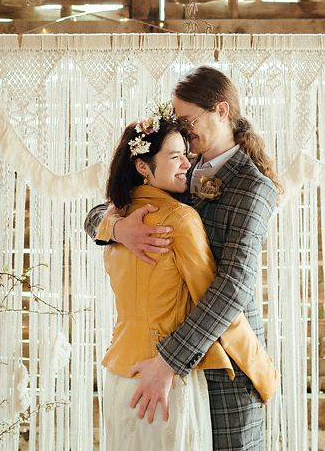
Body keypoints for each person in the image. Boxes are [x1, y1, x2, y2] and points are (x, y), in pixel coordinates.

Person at [87, 67, 280, 451]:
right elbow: (103, 206)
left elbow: (233, 286)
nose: (184, 132)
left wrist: (170, 360)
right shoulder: (180, 171)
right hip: (177, 369)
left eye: (189, 121)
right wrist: (116, 228)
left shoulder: (253, 187)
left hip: (225, 363)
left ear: (222, 111)